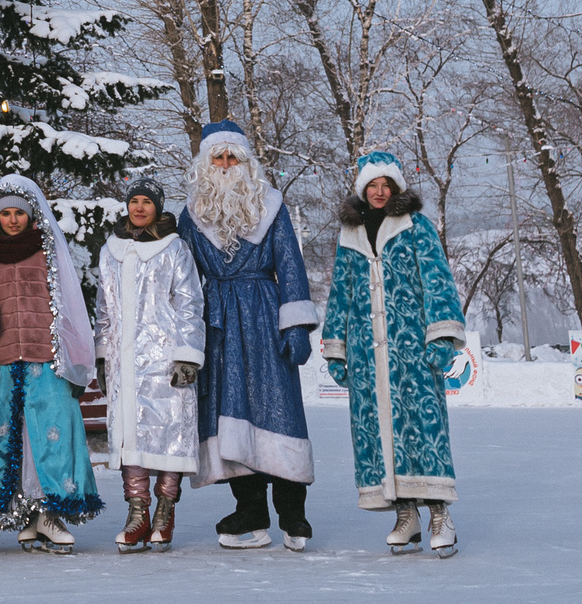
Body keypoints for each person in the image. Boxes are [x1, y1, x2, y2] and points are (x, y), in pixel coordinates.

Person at [178, 120, 319, 551]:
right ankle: (252, 510)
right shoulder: (191, 215)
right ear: (206, 164)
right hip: (217, 320)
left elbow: (290, 264)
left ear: (245, 162)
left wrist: (294, 324)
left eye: (232, 157)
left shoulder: (271, 206)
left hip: (262, 312)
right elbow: (183, 278)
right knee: (228, 412)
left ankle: (292, 512)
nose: (224, 165)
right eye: (217, 158)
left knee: (277, 409)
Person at [323, 151, 465, 557]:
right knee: (378, 432)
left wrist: (441, 337)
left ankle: (440, 513)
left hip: (411, 350)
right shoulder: (349, 235)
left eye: (386, 184)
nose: (380, 191)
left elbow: (438, 281)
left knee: (423, 427)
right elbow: (341, 294)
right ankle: (405, 515)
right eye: (373, 184)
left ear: (397, 187)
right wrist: (337, 348)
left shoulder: (416, 227)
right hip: (368, 354)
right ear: (362, 189)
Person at [0, 173, 102, 551]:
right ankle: (28, 516)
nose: (13, 220)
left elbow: (67, 303)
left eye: (20, 213)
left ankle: (50, 512)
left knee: (49, 433)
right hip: (1, 357)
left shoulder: (45, 248)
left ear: (32, 216)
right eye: (6, 213)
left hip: (45, 356)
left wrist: (74, 357)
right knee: (10, 438)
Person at [94, 178, 205, 552]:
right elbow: (104, 310)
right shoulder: (111, 251)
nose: (139, 208)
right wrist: (101, 356)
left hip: (165, 359)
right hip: (124, 362)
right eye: (134, 201)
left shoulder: (174, 249)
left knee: (169, 432)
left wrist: (187, 355)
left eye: (147, 202)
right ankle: (137, 511)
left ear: (158, 207)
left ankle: (165, 509)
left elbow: (190, 304)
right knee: (130, 436)